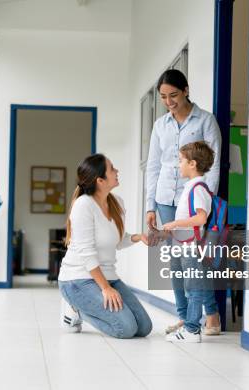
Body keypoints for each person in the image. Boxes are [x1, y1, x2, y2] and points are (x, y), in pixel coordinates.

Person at [145, 69, 222, 334]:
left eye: (174, 95)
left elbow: (213, 166)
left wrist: (204, 201)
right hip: (166, 198)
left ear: (186, 90)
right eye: (164, 97)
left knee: (196, 259)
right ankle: (184, 315)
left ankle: (211, 314)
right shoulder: (160, 126)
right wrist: (150, 206)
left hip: (194, 200)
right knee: (175, 260)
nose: (169, 102)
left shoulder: (206, 121)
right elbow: (153, 167)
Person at [58, 154, 153, 339]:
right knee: (126, 328)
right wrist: (106, 289)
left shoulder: (116, 202)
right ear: (100, 180)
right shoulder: (83, 205)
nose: (117, 171)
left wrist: (137, 237)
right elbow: (87, 254)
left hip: (108, 276)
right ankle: (76, 309)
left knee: (143, 327)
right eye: (112, 169)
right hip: (78, 280)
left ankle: (83, 306)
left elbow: (115, 240)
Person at [162, 141, 220, 342]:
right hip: (183, 245)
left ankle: (192, 329)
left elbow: (201, 218)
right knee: (189, 285)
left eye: (181, 161)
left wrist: (175, 223)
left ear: (192, 164)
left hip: (191, 246)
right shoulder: (191, 187)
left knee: (194, 287)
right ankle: (189, 324)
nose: (178, 165)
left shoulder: (198, 189)